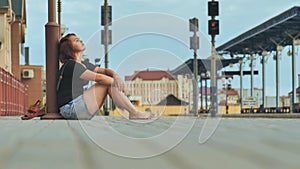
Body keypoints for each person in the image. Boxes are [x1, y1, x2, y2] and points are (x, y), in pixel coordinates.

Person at [56, 33, 155, 120]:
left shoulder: (83, 64)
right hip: (70, 109)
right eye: (76, 40)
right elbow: (100, 78)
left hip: (76, 108)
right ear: (69, 48)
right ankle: (134, 113)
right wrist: (119, 85)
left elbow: (104, 71)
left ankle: (134, 112)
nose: (81, 40)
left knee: (110, 82)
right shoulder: (71, 65)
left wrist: (116, 76)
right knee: (106, 84)